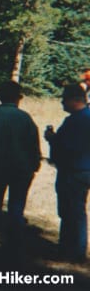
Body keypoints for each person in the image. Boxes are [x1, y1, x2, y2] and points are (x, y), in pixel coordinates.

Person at [0, 80, 41, 257]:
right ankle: (13, 246)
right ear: (19, 98)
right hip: (22, 170)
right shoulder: (25, 118)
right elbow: (34, 145)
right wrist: (35, 164)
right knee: (17, 207)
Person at [45, 83, 90, 263]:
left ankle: (70, 250)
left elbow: (67, 148)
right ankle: (74, 249)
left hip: (73, 172)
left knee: (70, 211)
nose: (62, 103)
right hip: (85, 170)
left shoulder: (75, 121)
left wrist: (52, 139)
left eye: (64, 100)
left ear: (74, 100)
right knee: (77, 211)